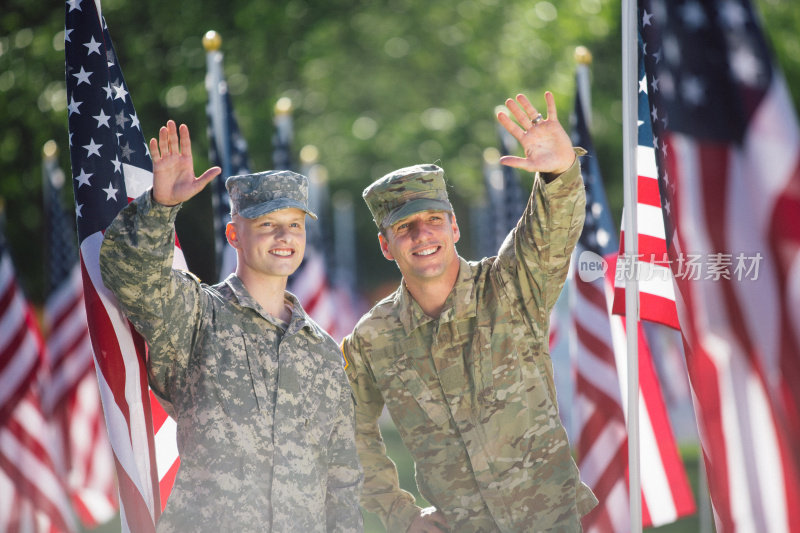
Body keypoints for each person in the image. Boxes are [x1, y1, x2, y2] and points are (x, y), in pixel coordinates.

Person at [341, 92, 598, 532]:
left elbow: (551, 230)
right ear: (386, 245)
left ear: (454, 226)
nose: (423, 234)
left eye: (434, 219)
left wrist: (559, 171)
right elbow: (347, 433)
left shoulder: (511, 285)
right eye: (404, 226)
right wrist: (400, 516)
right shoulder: (373, 338)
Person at [99, 120, 363, 532]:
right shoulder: (196, 314)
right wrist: (161, 206)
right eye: (266, 224)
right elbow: (129, 272)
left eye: (295, 224)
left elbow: (342, 476)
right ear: (234, 235)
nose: (284, 236)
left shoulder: (323, 351)